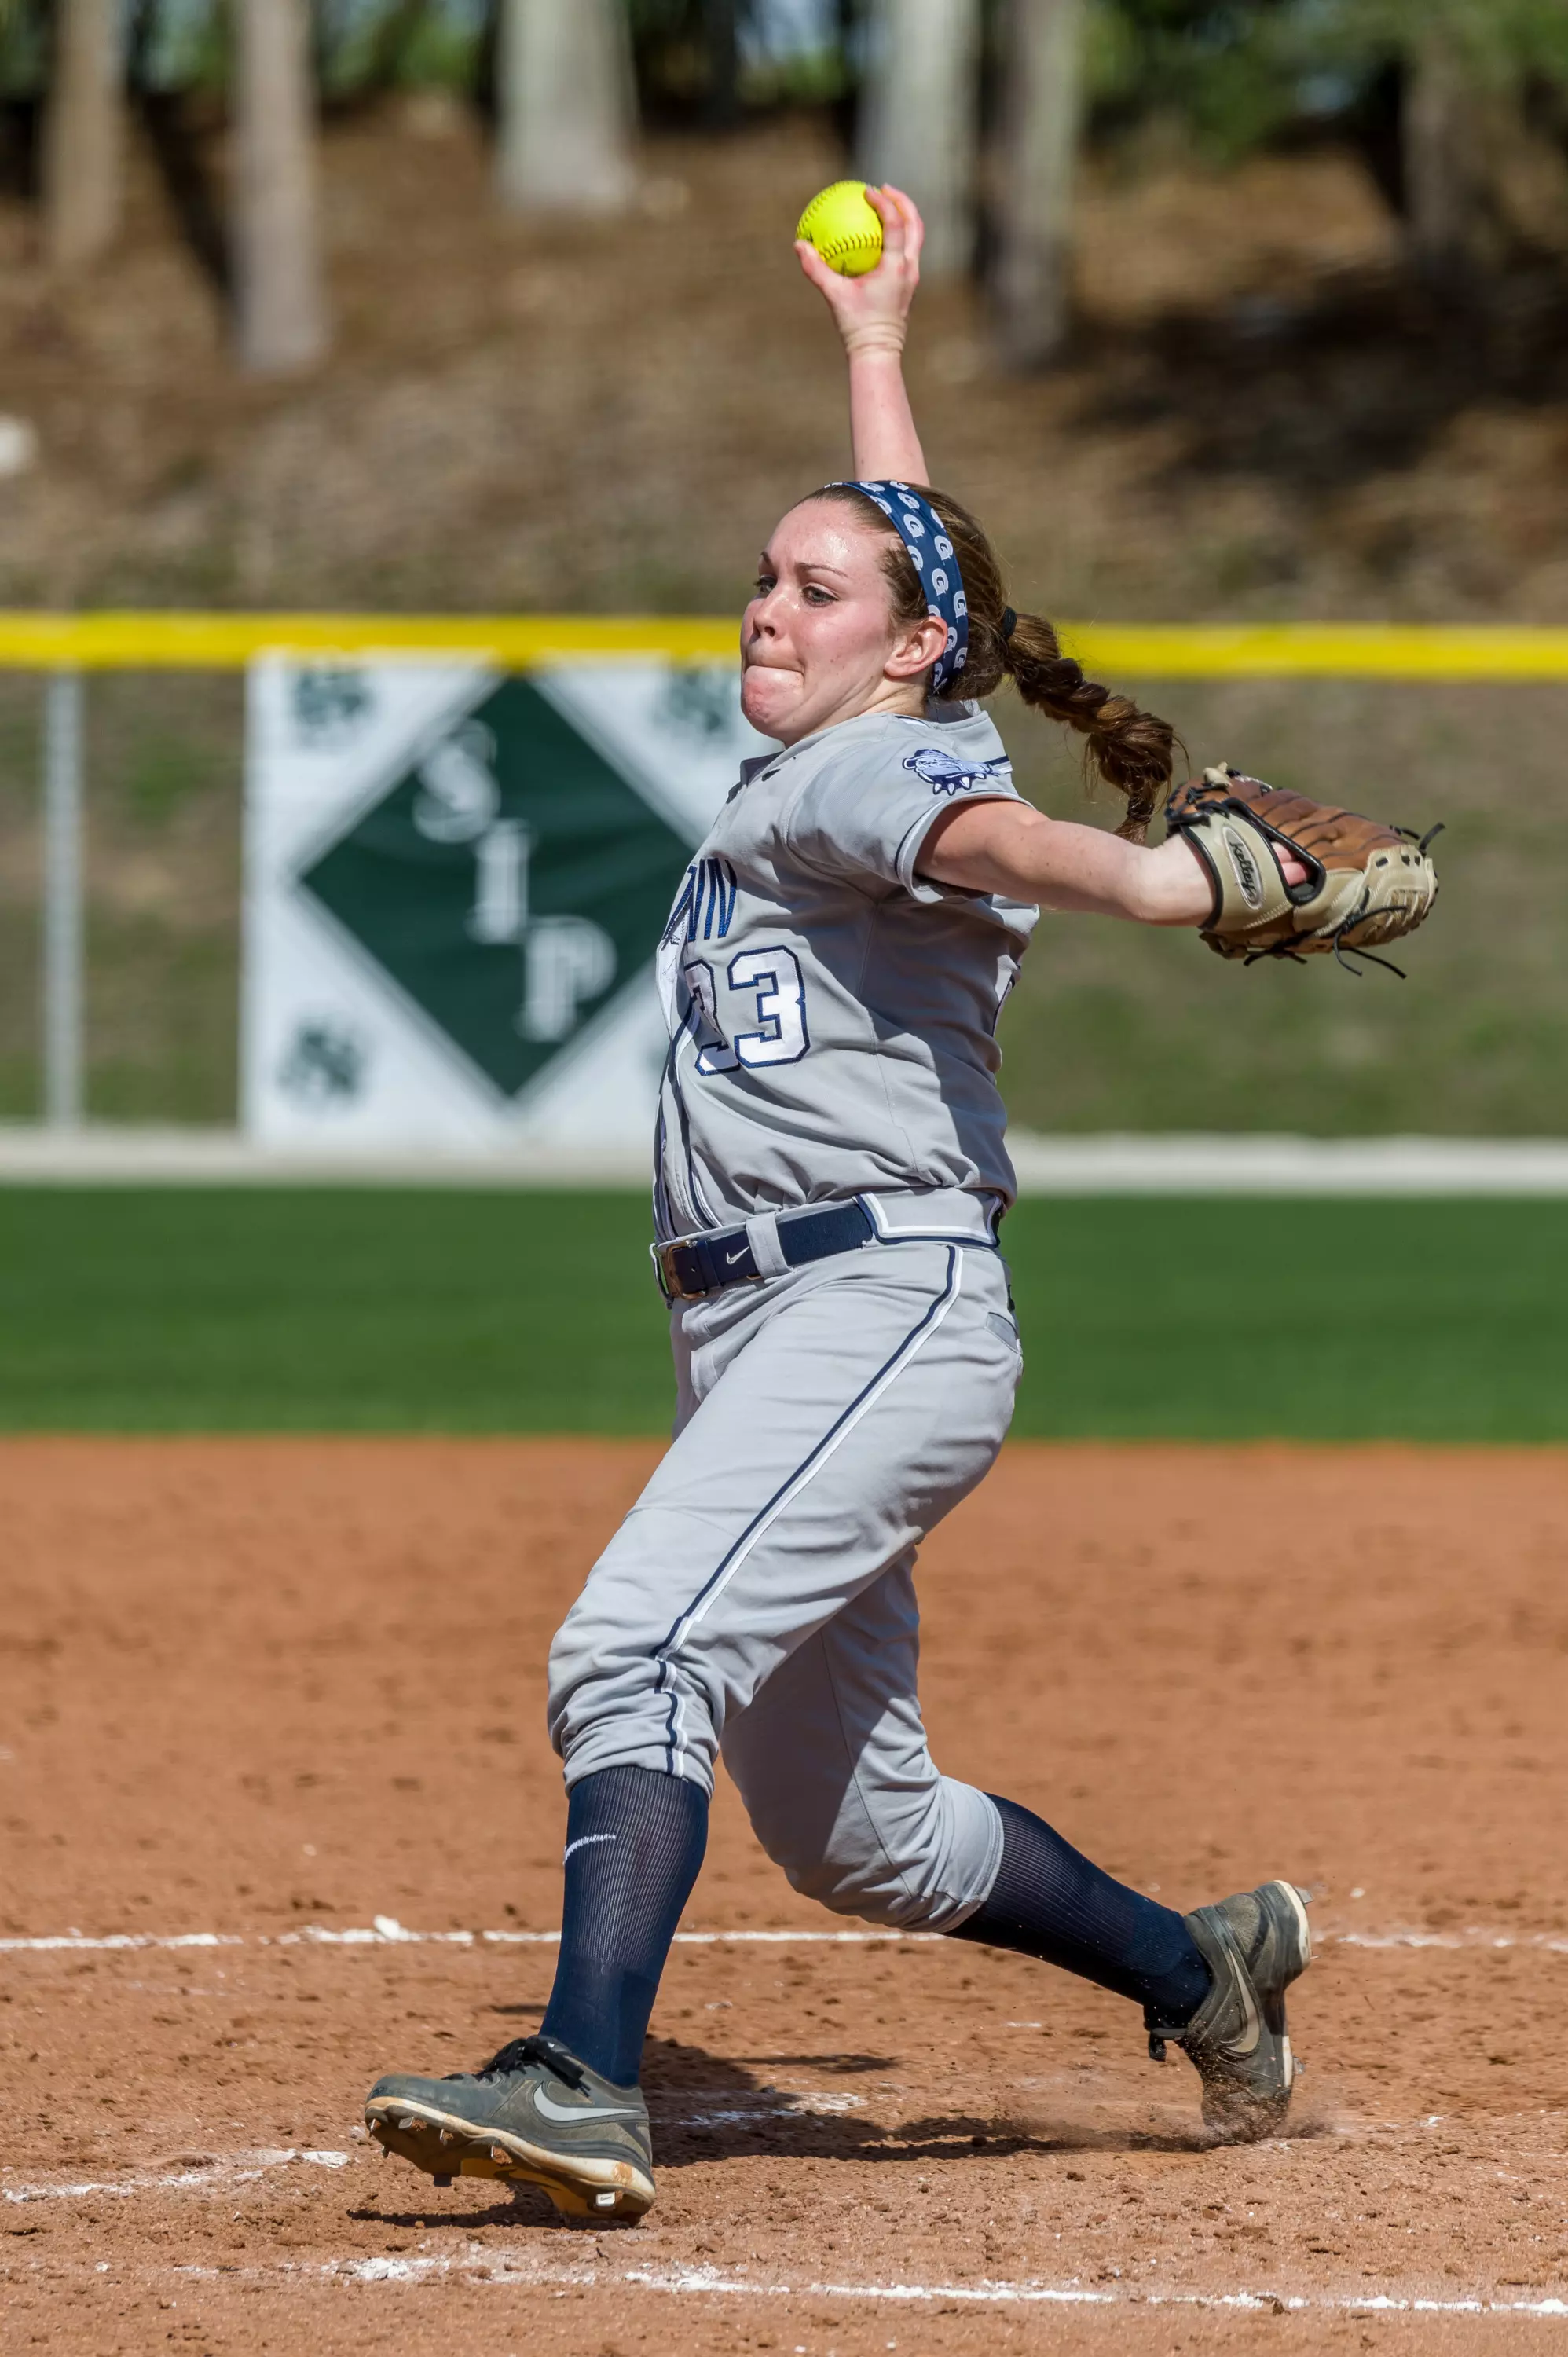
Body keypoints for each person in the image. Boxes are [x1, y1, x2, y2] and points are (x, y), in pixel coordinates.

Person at [365, 187, 1312, 2222]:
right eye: (761, 580)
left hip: (875, 1305)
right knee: (860, 1833)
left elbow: (995, 837)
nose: (767, 612)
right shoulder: (869, 734)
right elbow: (920, 592)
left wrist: (1155, 882)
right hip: (764, 1331)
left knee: (630, 1651)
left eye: (815, 592)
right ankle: (1201, 1969)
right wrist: (875, 349)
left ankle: (581, 2081)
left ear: (908, 648)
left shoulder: (870, 781)